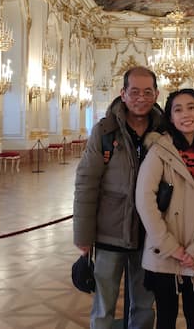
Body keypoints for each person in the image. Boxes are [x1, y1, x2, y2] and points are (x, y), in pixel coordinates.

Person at [73, 66, 164, 329]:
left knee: (145, 304)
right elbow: (86, 183)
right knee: (104, 304)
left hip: (149, 233)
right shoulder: (105, 131)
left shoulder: (165, 132)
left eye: (148, 92)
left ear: (156, 94)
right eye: (134, 91)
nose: (141, 97)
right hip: (109, 232)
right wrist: (83, 236)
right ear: (122, 94)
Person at [135, 89, 194, 329]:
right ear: (170, 117)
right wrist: (169, 246)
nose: (186, 114)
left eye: (191, 107)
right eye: (178, 109)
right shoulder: (159, 150)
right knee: (165, 316)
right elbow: (144, 200)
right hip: (163, 253)